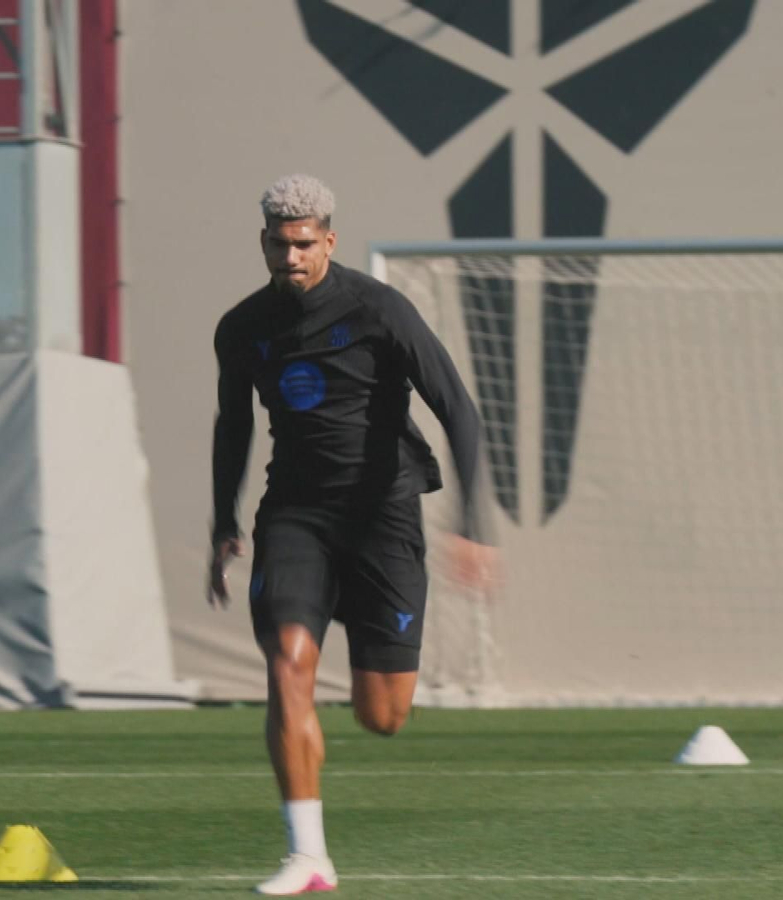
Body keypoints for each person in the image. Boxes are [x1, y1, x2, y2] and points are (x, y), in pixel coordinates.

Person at [208, 173, 498, 895]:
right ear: (263, 243)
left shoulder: (379, 310)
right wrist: (223, 522)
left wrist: (473, 526)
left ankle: (336, 728)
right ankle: (308, 856)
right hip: (295, 517)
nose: (291, 257)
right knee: (288, 664)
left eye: (304, 244)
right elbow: (234, 425)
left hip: (383, 517)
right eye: (279, 244)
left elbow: (457, 409)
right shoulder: (241, 328)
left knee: (382, 716)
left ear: (329, 241)